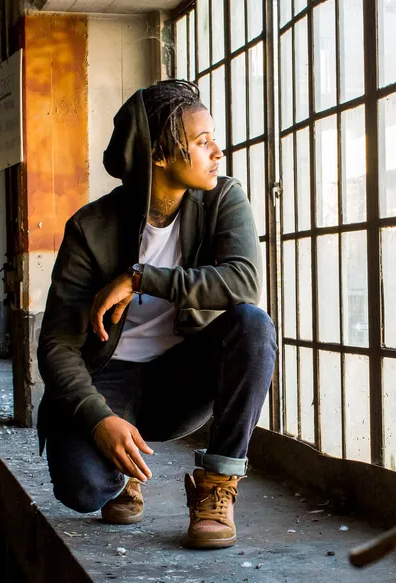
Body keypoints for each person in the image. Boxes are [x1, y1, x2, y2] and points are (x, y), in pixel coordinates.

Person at [36, 80, 276, 549]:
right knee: (82, 491)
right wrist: (96, 418)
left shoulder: (222, 199)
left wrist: (140, 278)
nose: (218, 152)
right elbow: (56, 345)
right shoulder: (91, 228)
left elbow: (244, 282)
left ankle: (216, 487)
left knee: (253, 325)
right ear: (161, 156)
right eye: (202, 142)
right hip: (109, 377)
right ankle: (123, 476)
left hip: (180, 378)